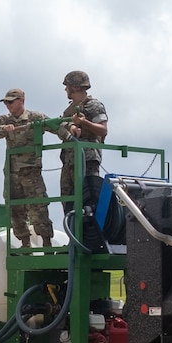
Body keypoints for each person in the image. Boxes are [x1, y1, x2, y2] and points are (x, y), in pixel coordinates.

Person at [0, 88, 56, 248]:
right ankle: (25, 243)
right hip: (12, 173)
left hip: (31, 173)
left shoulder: (35, 118)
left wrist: (71, 131)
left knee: (38, 208)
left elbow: (55, 126)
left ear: (21, 100)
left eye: (11, 101)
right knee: (15, 208)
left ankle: (47, 243)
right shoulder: (4, 119)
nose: (8, 105)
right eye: (6, 102)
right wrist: (5, 129)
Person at [57, 70, 109, 245]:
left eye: (67, 87)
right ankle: (74, 239)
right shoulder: (68, 110)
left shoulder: (94, 105)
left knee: (89, 200)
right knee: (68, 200)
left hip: (87, 159)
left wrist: (84, 123)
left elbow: (103, 130)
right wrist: (70, 128)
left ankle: (92, 240)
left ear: (75, 87)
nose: (66, 90)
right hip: (69, 160)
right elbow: (60, 128)